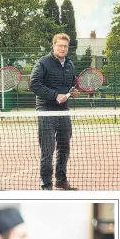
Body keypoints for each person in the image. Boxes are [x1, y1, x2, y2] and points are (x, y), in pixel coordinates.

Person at [30, 33, 78, 190]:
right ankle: (46, 184)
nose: (63, 48)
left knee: (64, 147)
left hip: (64, 112)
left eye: (65, 46)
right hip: (46, 111)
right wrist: (55, 95)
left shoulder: (70, 64)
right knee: (48, 150)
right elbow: (34, 84)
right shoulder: (43, 62)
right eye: (60, 45)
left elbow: (71, 84)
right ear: (53, 46)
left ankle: (61, 180)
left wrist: (72, 91)